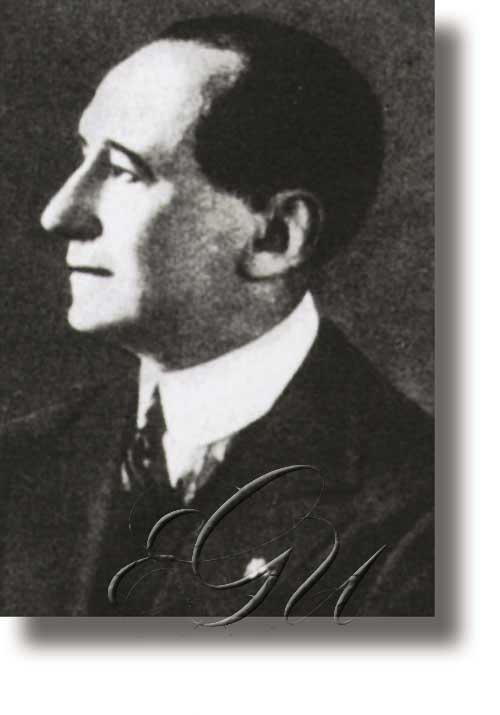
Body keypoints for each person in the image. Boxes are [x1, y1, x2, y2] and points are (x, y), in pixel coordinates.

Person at [0, 14, 433, 618]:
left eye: (124, 171)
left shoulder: (428, 517)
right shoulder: (21, 464)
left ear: (275, 237)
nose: (59, 212)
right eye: (82, 155)